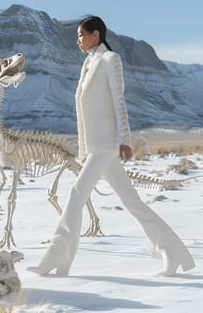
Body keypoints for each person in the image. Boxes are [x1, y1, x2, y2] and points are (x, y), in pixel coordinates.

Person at [28, 16, 195, 277]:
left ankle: (58, 255)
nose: (78, 41)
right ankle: (172, 253)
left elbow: (119, 101)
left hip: (106, 144)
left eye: (81, 35)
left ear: (96, 35)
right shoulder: (88, 63)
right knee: (133, 202)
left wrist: (125, 141)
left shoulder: (110, 60)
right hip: (95, 146)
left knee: (76, 193)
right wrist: (84, 150)